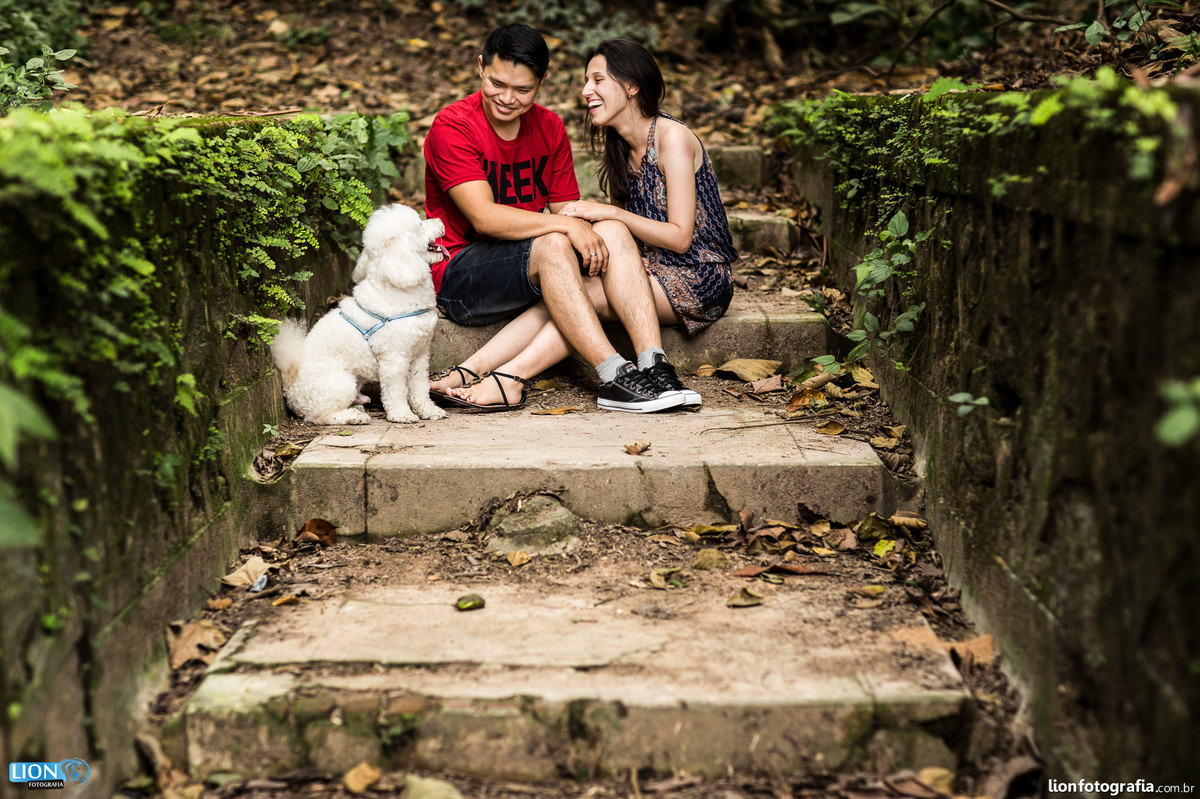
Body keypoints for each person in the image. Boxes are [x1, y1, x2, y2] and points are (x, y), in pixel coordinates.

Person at [424, 23, 688, 413]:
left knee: (613, 230)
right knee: (554, 243)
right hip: (461, 275)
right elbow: (485, 219)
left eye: (523, 89)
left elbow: (569, 211)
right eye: (497, 83)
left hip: (527, 267)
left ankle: (653, 363)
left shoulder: (548, 127)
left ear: (542, 81)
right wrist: (567, 226)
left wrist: (598, 239)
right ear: (480, 67)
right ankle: (614, 374)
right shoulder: (453, 126)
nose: (507, 98)